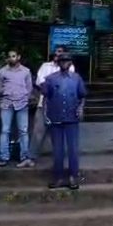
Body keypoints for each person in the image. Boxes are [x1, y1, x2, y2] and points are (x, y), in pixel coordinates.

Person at [39, 53, 87, 190]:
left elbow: (82, 95)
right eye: (62, 61)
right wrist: (45, 114)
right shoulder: (50, 79)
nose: (64, 63)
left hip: (72, 117)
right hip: (56, 117)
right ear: (58, 63)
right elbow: (45, 98)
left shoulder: (76, 78)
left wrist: (81, 108)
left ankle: (73, 177)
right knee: (58, 150)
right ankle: (58, 178)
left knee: (73, 149)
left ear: (70, 62)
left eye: (67, 61)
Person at [30, 45, 76, 162]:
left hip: (60, 107)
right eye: (56, 52)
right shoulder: (45, 66)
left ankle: (59, 160)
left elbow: (67, 84)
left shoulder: (70, 67)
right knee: (38, 131)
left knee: (58, 133)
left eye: (59, 52)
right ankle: (31, 158)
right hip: (43, 105)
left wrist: (52, 84)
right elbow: (40, 82)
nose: (56, 54)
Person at [0, 49, 33, 168]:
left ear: (18, 57)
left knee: (23, 131)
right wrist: (6, 91)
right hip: (6, 104)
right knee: (5, 130)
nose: (11, 58)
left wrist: (24, 97)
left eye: (13, 56)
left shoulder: (26, 71)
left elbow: (29, 88)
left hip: (22, 104)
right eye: (9, 56)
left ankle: (24, 157)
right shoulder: (2, 71)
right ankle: (4, 157)